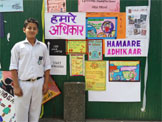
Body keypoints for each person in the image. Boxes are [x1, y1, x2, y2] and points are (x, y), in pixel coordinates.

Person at [9, 18, 51, 122]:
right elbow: (13, 68)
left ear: (37, 31)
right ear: (24, 29)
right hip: (23, 84)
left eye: (34, 28)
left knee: (35, 112)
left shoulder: (43, 47)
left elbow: (47, 67)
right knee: (21, 113)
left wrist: (45, 84)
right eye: (29, 28)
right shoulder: (18, 47)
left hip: (38, 83)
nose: (32, 30)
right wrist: (17, 87)